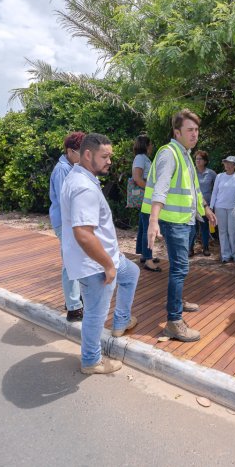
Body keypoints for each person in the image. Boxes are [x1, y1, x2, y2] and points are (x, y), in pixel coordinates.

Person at [60, 133, 140, 374]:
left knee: (131, 273)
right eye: (104, 157)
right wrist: (108, 265)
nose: (109, 162)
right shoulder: (84, 187)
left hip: (105, 257)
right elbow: (83, 234)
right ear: (87, 155)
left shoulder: (78, 176)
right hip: (95, 264)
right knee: (95, 314)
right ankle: (91, 361)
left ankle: (122, 321)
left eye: (110, 157)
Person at [143, 109, 217, 342]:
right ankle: (174, 322)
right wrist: (153, 221)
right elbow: (161, 189)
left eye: (196, 130)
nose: (195, 134)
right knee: (179, 269)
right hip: (174, 222)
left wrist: (205, 208)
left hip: (187, 221)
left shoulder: (184, 154)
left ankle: (178, 302)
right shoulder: (169, 154)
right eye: (190, 130)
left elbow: (194, 189)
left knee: (180, 268)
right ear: (177, 132)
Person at [49, 131, 85, 322]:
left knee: (74, 261)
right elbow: (66, 202)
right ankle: (73, 308)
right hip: (66, 222)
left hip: (69, 221)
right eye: (81, 151)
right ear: (71, 151)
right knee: (70, 262)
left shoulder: (71, 166)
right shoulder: (63, 169)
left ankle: (73, 300)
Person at [131, 134, 161, 272]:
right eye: (150, 144)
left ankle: (145, 255)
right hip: (147, 199)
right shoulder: (140, 158)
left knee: (144, 227)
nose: (152, 146)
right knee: (148, 228)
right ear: (146, 145)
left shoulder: (143, 158)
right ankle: (148, 260)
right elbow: (137, 178)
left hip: (147, 199)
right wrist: (152, 191)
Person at [190, 149, 216, 257]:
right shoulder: (191, 172)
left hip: (206, 206)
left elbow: (218, 188)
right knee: (192, 228)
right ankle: (190, 249)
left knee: (205, 228)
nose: (198, 161)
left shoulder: (211, 173)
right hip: (192, 205)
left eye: (200, 159)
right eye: (196, 159)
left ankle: (205, 248)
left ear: (205, 161)